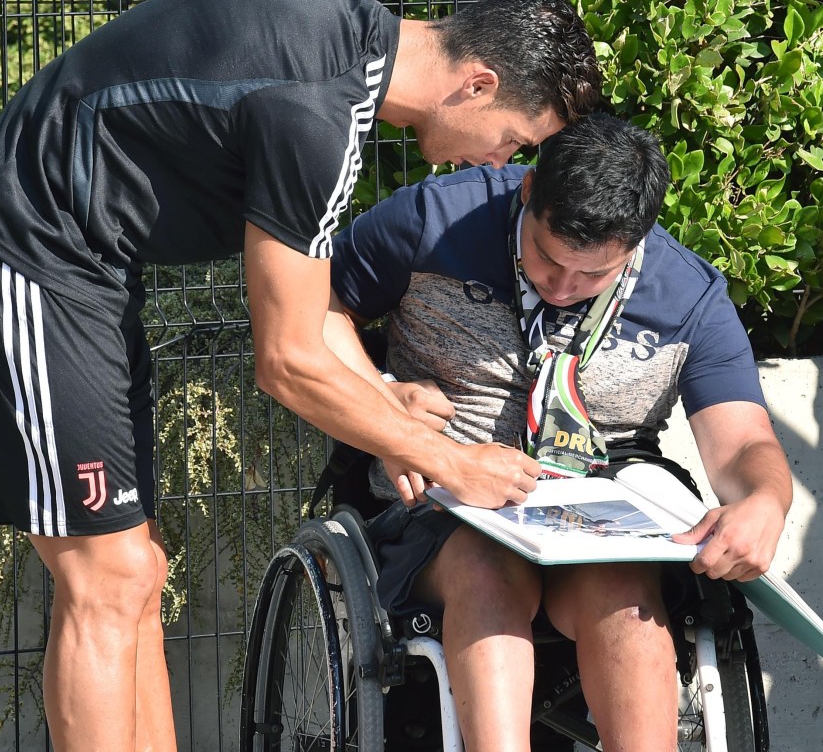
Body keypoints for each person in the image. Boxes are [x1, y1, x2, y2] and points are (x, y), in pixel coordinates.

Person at [0, 0, 602, 750]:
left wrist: (386, 402)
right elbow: (286, 359)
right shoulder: (319, 108)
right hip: (22, 249)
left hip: (82, 269)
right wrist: (445, 458)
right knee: (106, 577)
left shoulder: (341, 44)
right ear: (478, 84)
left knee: (138, 572)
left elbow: (309, 312)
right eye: (513, 142)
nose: (498, 165)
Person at [325, 113, 794, 752]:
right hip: (447, 499)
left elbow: (742, 443)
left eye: (592, 276)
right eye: (546, 258)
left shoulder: (689, 296)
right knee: (485, 569)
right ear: (527, 194)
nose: (562, 288)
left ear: (637, 243)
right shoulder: (432, 221)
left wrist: (767, 501)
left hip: (599, 508)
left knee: (625, 587)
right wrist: (378, 398)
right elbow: (308, 309)